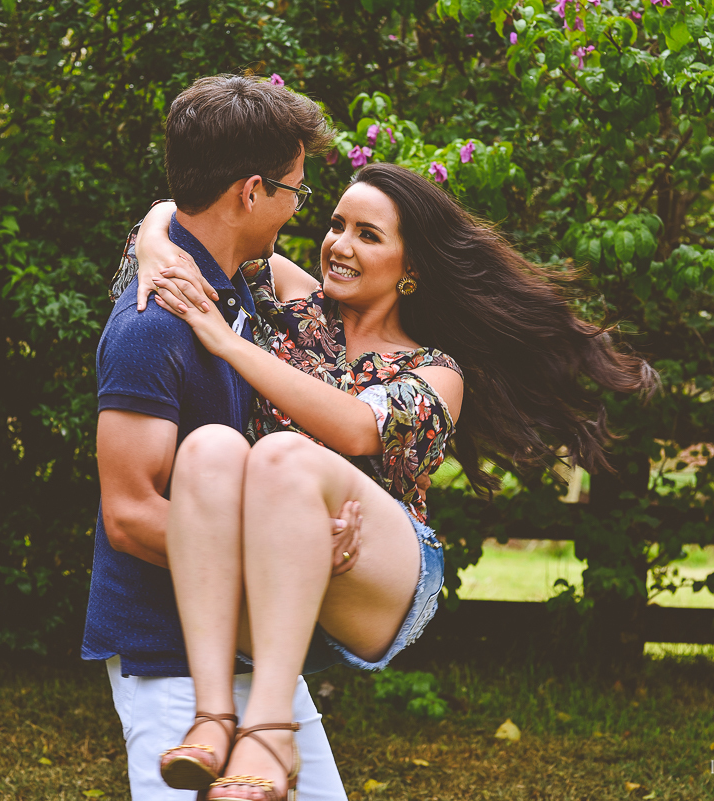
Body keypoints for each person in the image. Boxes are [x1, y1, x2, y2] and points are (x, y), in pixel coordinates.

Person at [130, 162, 658, 800]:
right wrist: (155, 241)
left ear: (412, 271)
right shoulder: (291, 298)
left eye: (368, 235)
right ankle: (214, 718)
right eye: (335, 225)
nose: (339, 244)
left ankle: (270, 735)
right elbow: (189, 217)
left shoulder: (437, 372)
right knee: (210, 448)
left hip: (385, 570)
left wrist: (229, 343)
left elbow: (357, 429)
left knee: (281, 456)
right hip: (284, 554)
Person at [81, 74, 355, 801]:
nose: (299, 211)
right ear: (251, 191)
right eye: (294, 192)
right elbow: (130, 511)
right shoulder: (150, 327)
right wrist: (286, 559)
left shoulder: (238, 288)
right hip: (169, 660)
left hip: (258, 652)